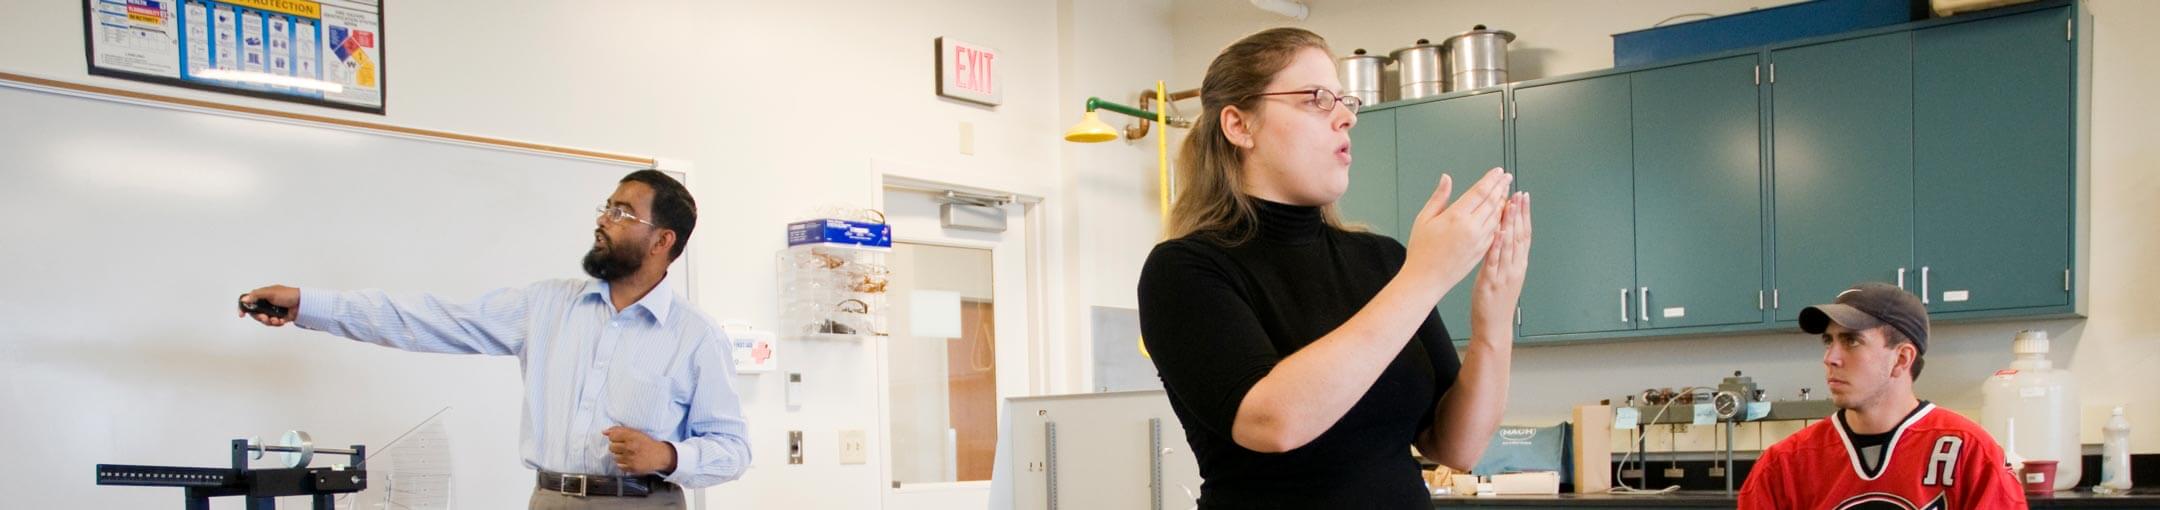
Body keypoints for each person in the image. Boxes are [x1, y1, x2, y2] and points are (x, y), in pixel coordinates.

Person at [1135, 27, 1532, 508]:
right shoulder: (1184, 271)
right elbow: (1274, 422)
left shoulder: (1382, 260)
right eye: (1317, 98)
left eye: (1345, 100)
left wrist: (1493, 320)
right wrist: (1425, 278)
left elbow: (1455, 447)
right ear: (1239, 126)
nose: (1346, 117)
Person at [239, 170, 748, 509]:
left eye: (622, 214)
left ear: (663, 241)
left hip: (644, 503)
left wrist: (668, 457)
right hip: (550, 499)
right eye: (606, 207)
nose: (602, 220)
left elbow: (733, 449)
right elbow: (429, 319)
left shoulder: (696, 337)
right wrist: (309, 304)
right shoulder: (546, 305)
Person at [1739, 282, 2026, 509]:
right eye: (1829, 341)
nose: (1830, 357)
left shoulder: (1972, 453)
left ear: (1901, 359)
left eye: (1851, 341)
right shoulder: (1783, 465)